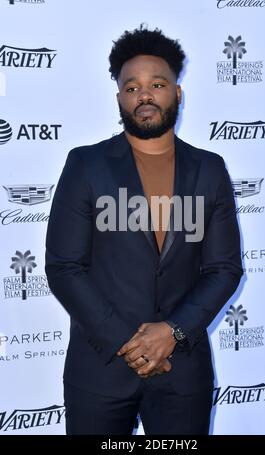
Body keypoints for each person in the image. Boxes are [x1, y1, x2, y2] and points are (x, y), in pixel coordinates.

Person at [45, 24, 243, 435]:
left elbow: (224, 268)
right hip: (99, 371)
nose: (145, 96)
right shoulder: (86, 165)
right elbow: (64, 266)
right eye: (132, 87)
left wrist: (171, 332)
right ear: (119, 98)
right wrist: (129, 342)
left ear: (177, 93)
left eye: (157, 84)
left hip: (182, 371)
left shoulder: (209, 169)